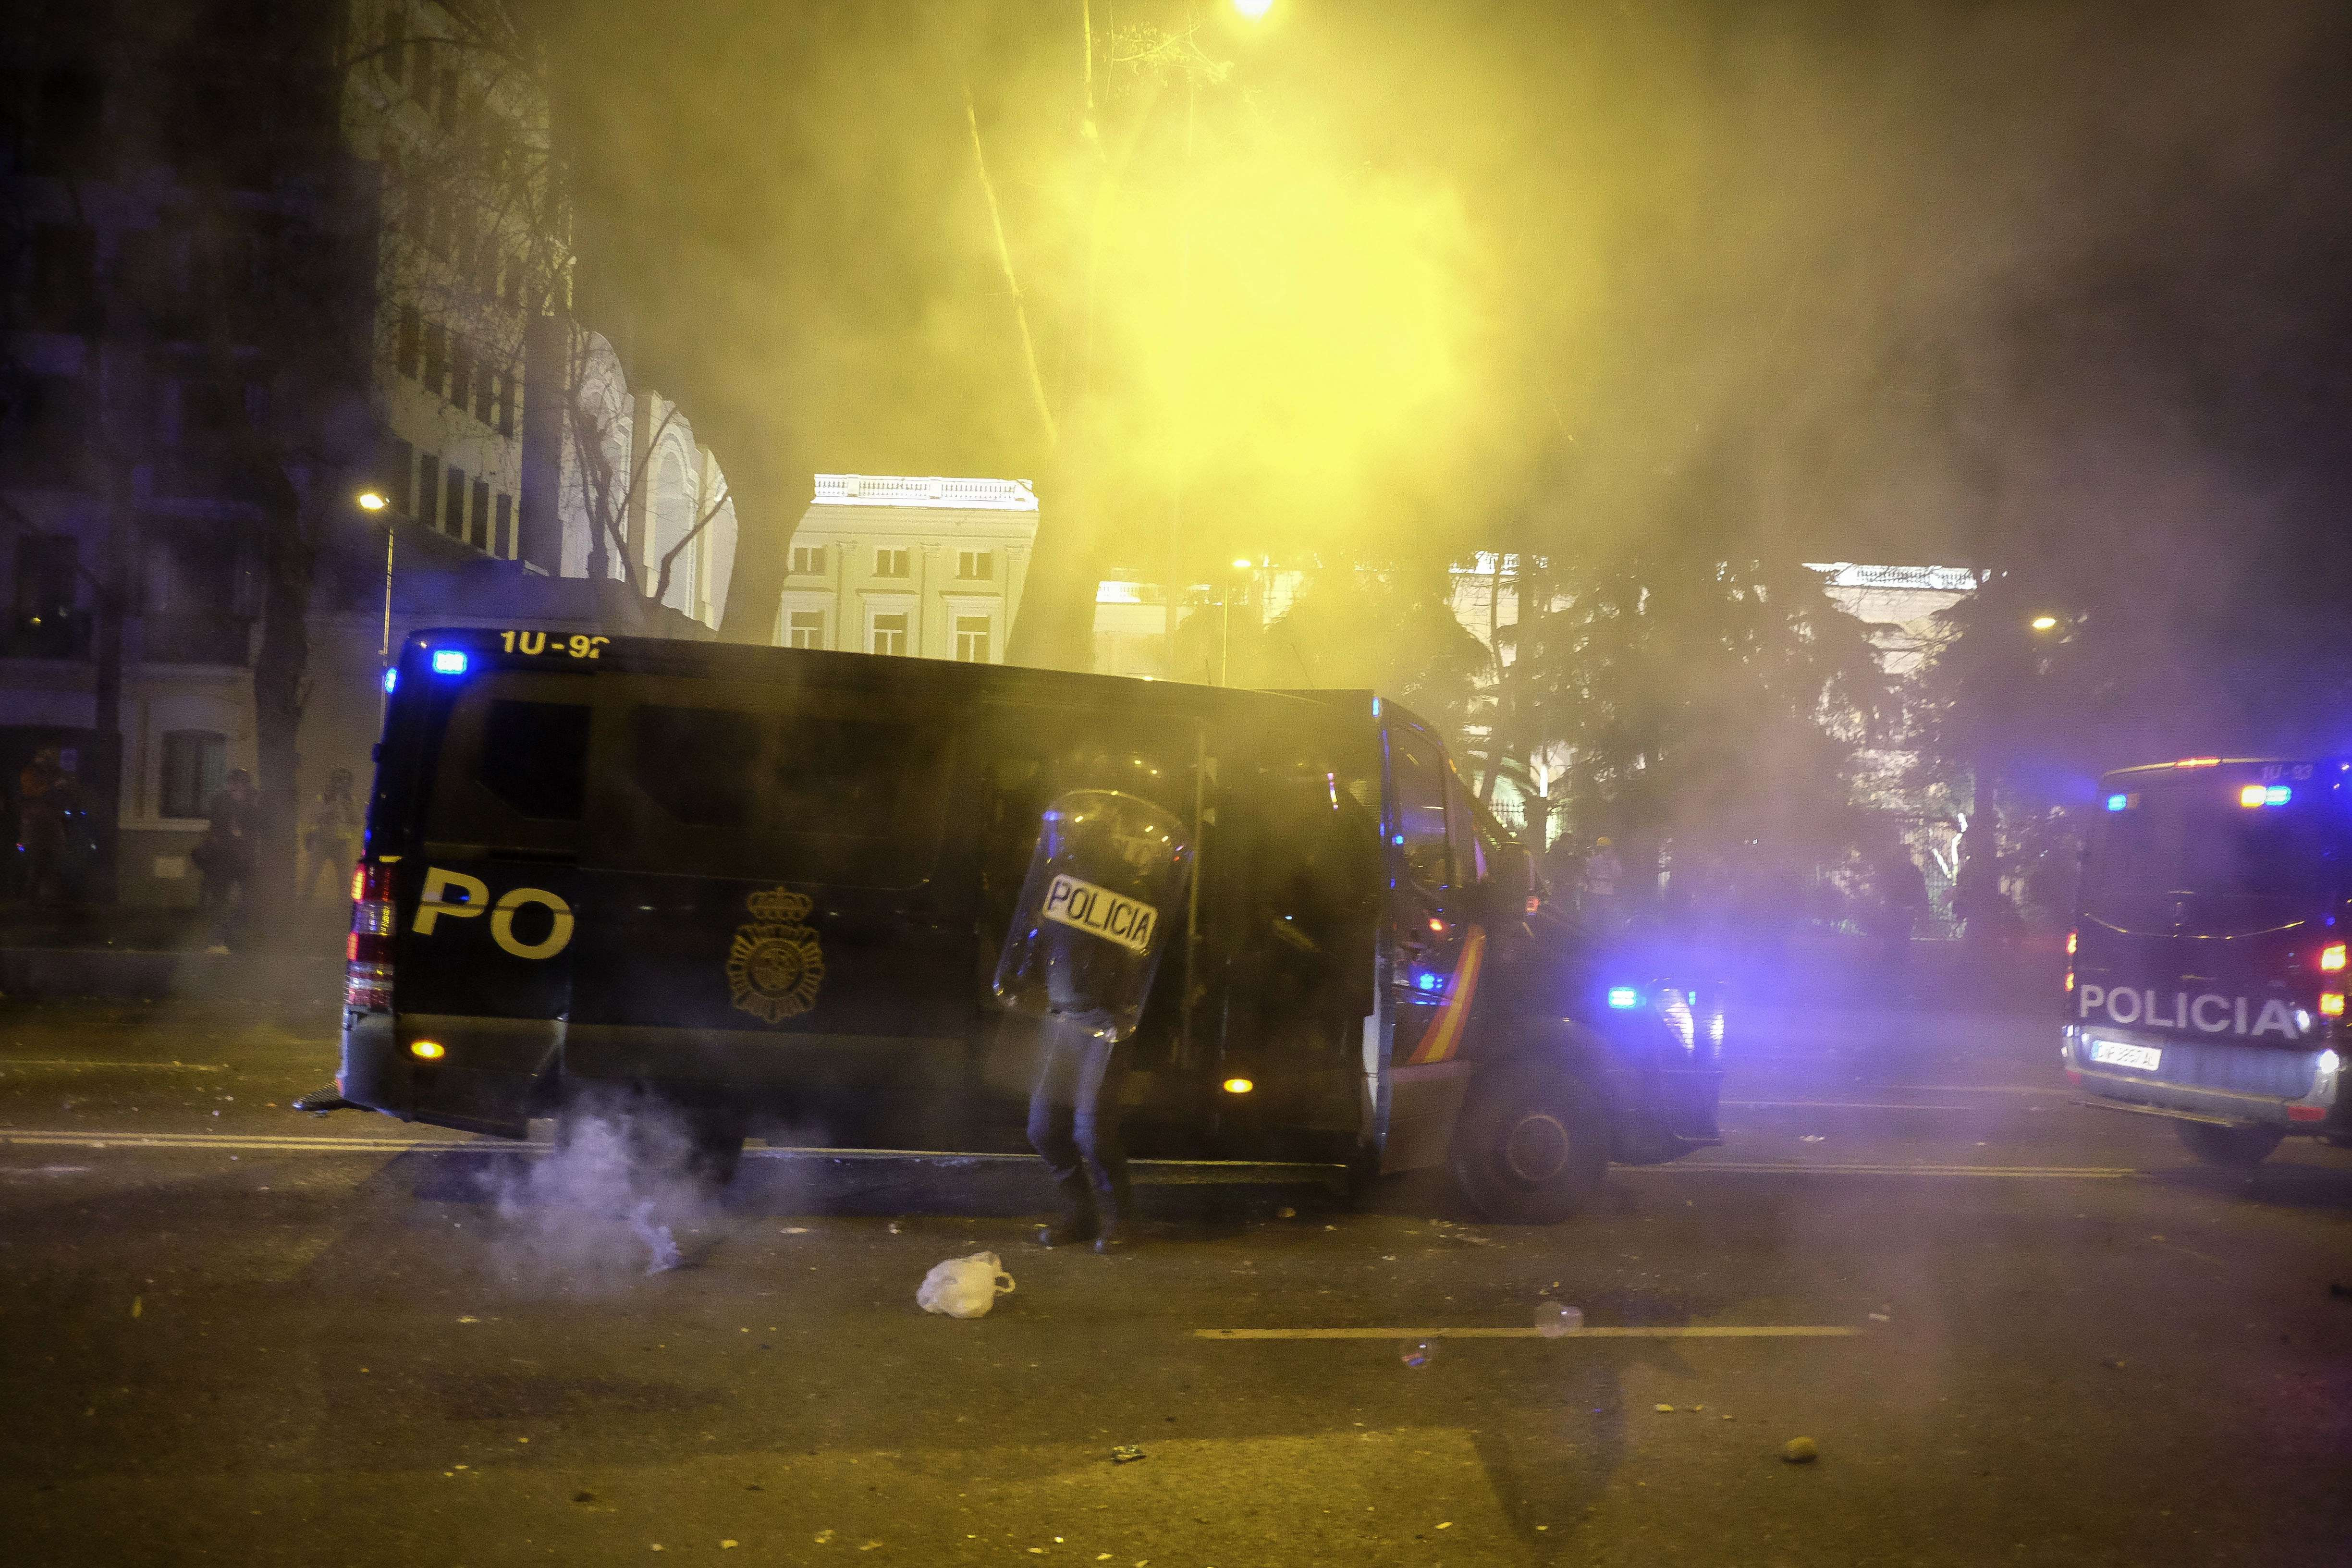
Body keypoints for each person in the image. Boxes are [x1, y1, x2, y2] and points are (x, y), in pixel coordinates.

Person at [194, 768, 262, 953]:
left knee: (249, 899)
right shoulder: (221, 801)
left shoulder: (254, 801)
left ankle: (236, 936)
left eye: (240, 783)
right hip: (224, 857)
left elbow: (259, 824)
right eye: (233, 783)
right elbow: (216, 824)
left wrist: (247, 808)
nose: (236, 787)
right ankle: (218, 939)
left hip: (245, 858)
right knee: (220, 899)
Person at [14, 747, 71, 906]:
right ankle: (30, 900)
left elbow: (65, 794)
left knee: (54, 861)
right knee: (35, 862)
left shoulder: (55, 774)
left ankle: (49, 899)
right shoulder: (30, 773)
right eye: (43, 755)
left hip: (52, 823)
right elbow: (30, 792)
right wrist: (53, 787)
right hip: (35, 824)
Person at [301, 767, 363, 902]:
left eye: (346, 783)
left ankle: (345, 911)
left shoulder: (351, 800)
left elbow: (357, 820)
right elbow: (314, 816)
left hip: (341, 845)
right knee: (312, 878)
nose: (343, 786)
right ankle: (303, 908)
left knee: (346, 881)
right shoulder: (324, 797)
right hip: (322, 842)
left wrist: (347, 805)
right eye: (340, 782)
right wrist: (333, 805)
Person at [1581, 836, 1624, 929]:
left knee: (1595, 917)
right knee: (1604, 918)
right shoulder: (1607, 860)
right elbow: (1618, 874)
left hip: (1598, 891)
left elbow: (1587, 873)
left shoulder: (1593, 859)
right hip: (1603, 892)